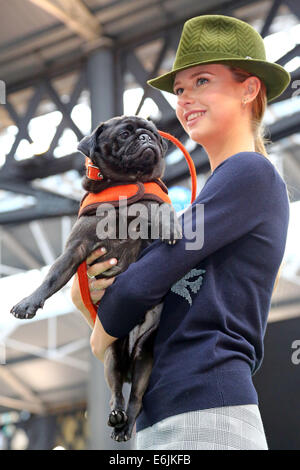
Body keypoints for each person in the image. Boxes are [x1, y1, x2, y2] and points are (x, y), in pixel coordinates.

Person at [71, 14, 291, 450]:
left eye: (203, 80)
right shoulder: (216, 197)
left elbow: (141, 286)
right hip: (171, 415)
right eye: (180, 89)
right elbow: (138, 310)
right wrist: (86, 302)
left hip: (205, 413)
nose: (185, 98)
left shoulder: (250, 173)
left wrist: (101, 332)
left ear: (250, 89)